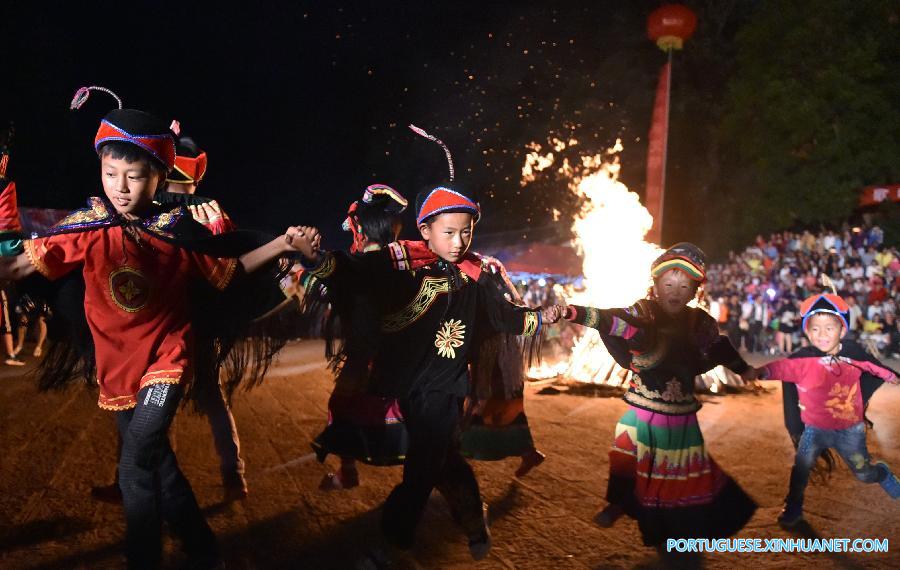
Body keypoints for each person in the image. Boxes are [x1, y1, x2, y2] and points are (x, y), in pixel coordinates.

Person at [0, 87, 307, 568]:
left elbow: (230, 271)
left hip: (167, 360)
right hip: (117, 368)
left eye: (135, 176)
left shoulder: (178, 231)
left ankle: (143, 558)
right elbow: (19, 268)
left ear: (160, 177)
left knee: (134, 461)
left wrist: (282, 244)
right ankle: (202, 547)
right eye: (110, 174)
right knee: (158, 463)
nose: (120, 187)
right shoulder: (87, 227)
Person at [295, 126, 553, 564]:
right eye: (449, 232)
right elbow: (355, 272)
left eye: (466, 232)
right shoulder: (399, 264)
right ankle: (473, 517)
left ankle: (391, 543)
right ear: (426, 230)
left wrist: (542, 317)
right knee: (441, 460)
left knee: (420, 471)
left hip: (445, 390)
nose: (459, 242)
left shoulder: (478, 275)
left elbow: (505, 318)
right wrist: (317, 258)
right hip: (402, 387)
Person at [555, 243, 758, 549]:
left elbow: (721, 348)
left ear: (695, 292)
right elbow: (608, 319)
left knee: (674, 473)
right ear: (655, 286)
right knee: (624, 453)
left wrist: (745, 370)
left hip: (679, 418)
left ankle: (671, 531)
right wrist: (571, 312)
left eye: (684, 286)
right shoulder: (643, 313)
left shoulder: (700, 324)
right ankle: (620, 502)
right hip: (641, 407)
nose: (675, 292)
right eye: (668, 284)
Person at [91, 126, 249, 504]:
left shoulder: (195, 211)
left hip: (187, 324)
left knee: (151, 403)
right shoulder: (175, 208)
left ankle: (229, 476)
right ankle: (232, 478)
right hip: (162, 323)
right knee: (168, 403)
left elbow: (227, 267)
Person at [756, 293, 900, 527]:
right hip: (814, 427)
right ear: (807, 332)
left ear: (842, 331)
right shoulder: (803, 357)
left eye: (829, 328)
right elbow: (780, 371)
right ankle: (793, 508)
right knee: (802, 467)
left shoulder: (853, 352)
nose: (822, 335)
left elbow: (877, 370)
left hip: (848, 430)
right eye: (815, 329)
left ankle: (881, 473)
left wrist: (867, 390)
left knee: (863, 473)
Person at [311, 184, 410, 490]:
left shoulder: (358, 265)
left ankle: (350, 471)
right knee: (409, 417)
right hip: (401, 360)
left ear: (364, 231)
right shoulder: (404, 267)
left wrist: (306, 251)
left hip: (368, 359)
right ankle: (355, 473)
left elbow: (328, 271)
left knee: (342, 408)